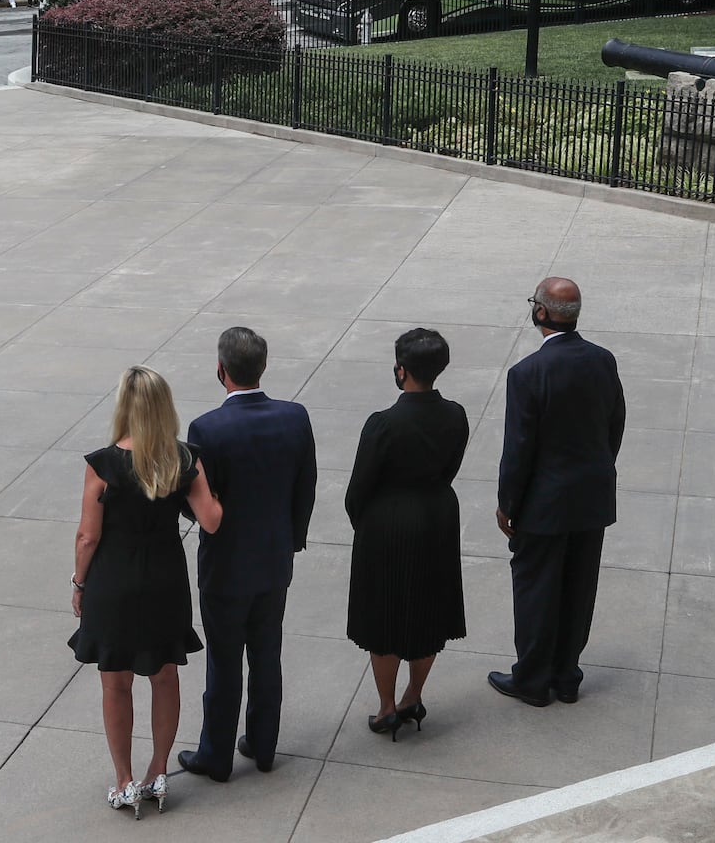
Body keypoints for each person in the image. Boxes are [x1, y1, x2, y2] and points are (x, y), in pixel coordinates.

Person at [70, 365, 223, 819]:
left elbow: (87, 538)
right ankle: (158, 772)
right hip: (164, 582)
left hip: (113, 585)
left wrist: (79, 583)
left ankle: (124, 781)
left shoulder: (102, 465)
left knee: (115, 683)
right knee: (164, 676)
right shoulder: (183, 459)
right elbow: (211, 520)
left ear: (125, 407)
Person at [177, 327, 317, 783]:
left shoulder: (207, 428)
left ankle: (215, 755)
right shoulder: (294, 417)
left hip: (226, 565)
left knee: (224, 661)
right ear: (263, 367)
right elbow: (305, 487)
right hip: (275, 559)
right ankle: (263, 744)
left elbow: (196, 502)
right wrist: (292, 540)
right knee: (266, 653)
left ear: (221, 371)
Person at [491, 278, 626, 708]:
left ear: (542, 314)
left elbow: (519, 449)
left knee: (536, 591)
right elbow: (615, 423)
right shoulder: (603, 361)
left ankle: (531, 679)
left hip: (543, 506)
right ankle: (566, 676)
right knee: (578, 588)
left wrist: (507, 504)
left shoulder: (527, 374)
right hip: (591, 499)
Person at [345, 328, 469, 741]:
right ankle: (413, 696)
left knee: (386, 616)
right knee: (428, 609)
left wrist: (365, 521)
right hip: (437, 515)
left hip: (389, 523)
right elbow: (449, 468)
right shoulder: (456, 415)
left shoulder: (383, 424)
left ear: (401, 370)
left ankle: (385, 708)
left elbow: (358, 488)